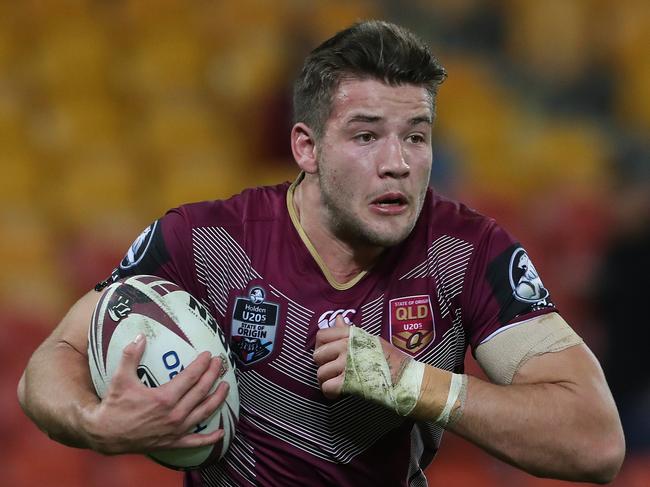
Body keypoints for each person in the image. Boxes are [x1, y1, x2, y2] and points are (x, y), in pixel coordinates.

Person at [18, 20, 624, 486]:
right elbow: (53, 361)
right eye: (366, 136)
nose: (399, 162)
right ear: (305, 148)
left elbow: (596, 442)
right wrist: (98, 425)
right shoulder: (205, 240)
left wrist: (415, 383)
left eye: (417, 135)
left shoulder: (465, 251)